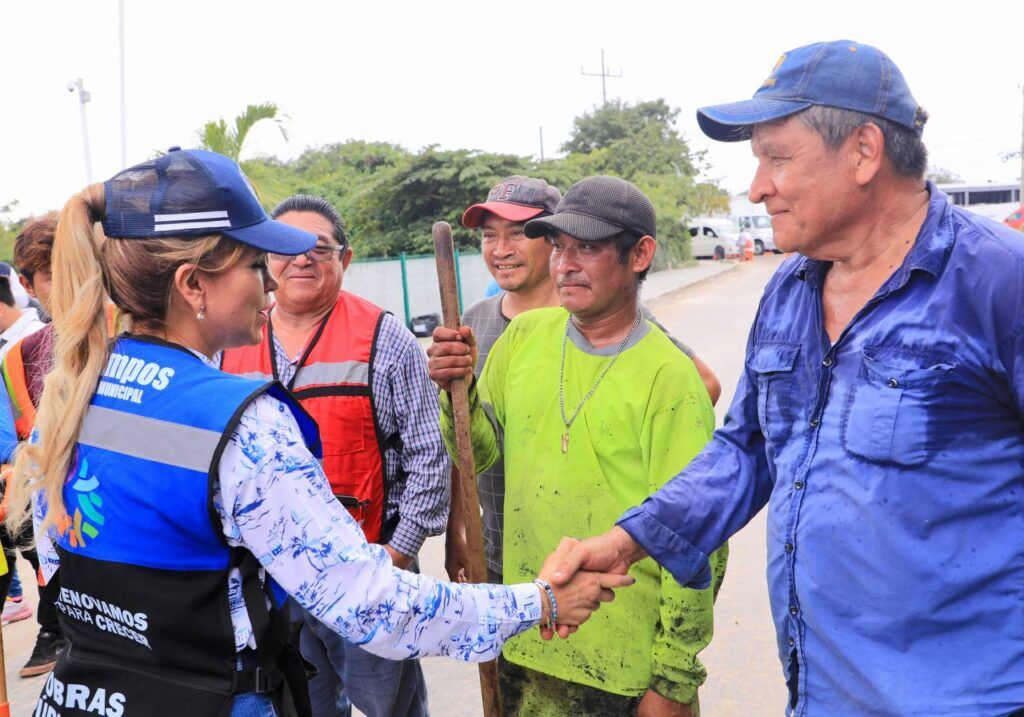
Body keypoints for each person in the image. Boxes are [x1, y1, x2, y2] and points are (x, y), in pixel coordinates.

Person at [4, 148, 629, 717]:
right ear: (193, 285)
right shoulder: (238, 421)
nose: (271, 283)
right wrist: (539, 603)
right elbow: (372, 604)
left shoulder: (75, 391)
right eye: (254, 263)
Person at [547, 41, 1024, 715]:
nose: (757, 187)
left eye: (777, 157)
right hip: (821, 693)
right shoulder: (791, 290)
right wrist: (628, 539)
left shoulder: (997, 284)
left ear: (862, 151)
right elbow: (746, 448)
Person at [429, 176, 726, 716]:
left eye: (586, 247)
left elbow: (699, 537)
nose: (566, 263)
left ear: (640, 254)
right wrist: (459, 392)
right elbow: (483, 452)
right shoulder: (524, 338)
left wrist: (674, 680)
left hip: (626, 665)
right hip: (529, 630)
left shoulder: (669, 378)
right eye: (560, 246)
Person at [221, 194, 450, 717]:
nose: (301, 259)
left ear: (344, 260)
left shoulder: (383, 336)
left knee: (390, 705)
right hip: (270, 580)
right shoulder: (230, 339)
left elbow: (428, 460)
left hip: (368, 570)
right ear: (262, 259)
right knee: (303, 705)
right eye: (285, 248)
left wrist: (394, 558)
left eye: (319, 249)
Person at [0, 215, 69, 676]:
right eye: (53, 273)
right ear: (28, 283)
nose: (72, 284)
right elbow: (28, 439)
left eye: (78, 267)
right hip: (64, 520)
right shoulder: (20, 357)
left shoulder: (141, 332)